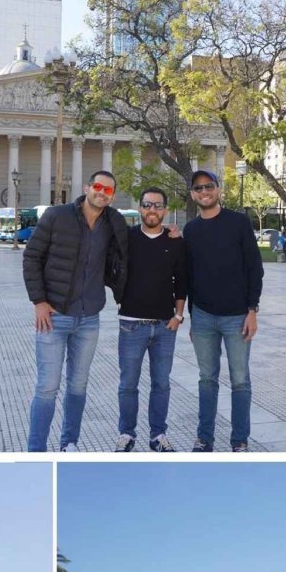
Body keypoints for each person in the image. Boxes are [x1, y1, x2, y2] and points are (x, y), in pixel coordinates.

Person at [24, 169, 130, 452]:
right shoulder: (57, 216)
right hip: (54, 316)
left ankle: (68, 443)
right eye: (98, 186)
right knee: (47, 386)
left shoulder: (114, 222)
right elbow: (32, 256)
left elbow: (133, 248)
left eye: (108, 190)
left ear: (112, 195)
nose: (101, 193)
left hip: (89, 318)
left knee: (78, 386)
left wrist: (169, 233)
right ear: (87, 187)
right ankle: (36, 450)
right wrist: (39, 301)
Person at [181, 169, 263, 453]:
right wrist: (192, 318)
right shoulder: (191, 230)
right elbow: (189, 277)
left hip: (237, 317)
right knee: (207, 380)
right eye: (198, 188)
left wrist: (252, 310)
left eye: (209, 186)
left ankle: (239, 440)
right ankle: (205, 438)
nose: (204, 192)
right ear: (192, 194)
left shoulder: (238, 223)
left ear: (218, 189)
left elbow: (255, 268)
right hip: (203, 317)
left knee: (240, 380)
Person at [114, 187, 188, 453]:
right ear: (140, 208)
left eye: (157, 206)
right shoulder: (126, 238)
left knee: (161, 384)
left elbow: (182, 282)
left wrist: (178, 316)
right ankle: (126, 433)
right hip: (131, 324)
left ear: (165, 210)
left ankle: (158, 435)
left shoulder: (175, 241)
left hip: (164, 326)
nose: (152, 210)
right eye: (147, 205)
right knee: (128, 384)